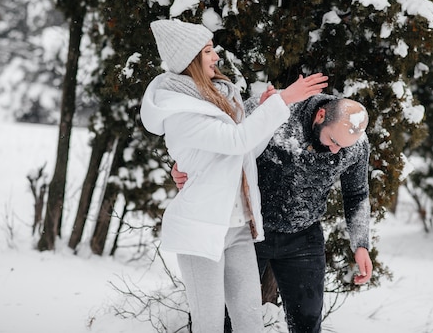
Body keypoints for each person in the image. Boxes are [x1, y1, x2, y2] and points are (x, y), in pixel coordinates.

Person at [139, 18, 328, 333]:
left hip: (238, 227)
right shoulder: (180, 112)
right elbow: (235, 141)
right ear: (190, 60)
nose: (216, 58)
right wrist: (283, 101)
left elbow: (246, 152)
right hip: (202, 231)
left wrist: (263, 113)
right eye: (208, 51)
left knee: (249, 320)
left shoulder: (222, 98)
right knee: (210, 323)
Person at [173, 92, 373, 333]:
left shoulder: (355, 145)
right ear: (321, 115)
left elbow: (357, 194)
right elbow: (220, 139)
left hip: (304, 235)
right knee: (224, 317)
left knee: (307, 324)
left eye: (341, 146)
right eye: (333, 140)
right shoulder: (277, 111)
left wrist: (360, 244)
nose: (335, 150)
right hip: (248, 231)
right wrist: (182, 166)